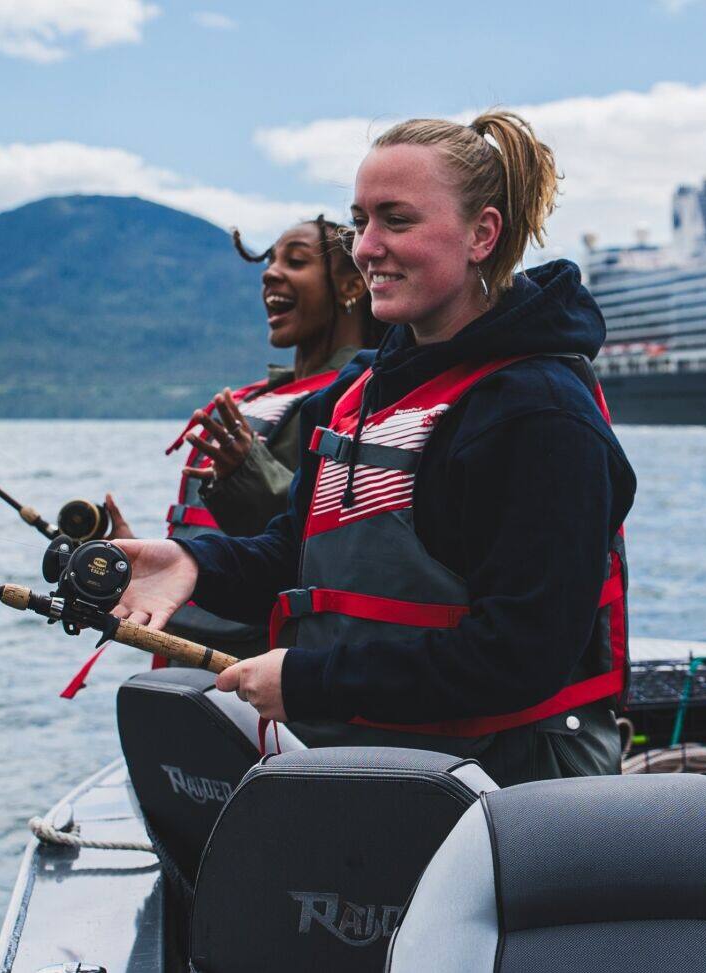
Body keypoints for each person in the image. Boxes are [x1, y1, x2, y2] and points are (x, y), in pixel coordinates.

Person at [110, 110, 635, 786]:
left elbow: (519, 655)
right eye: (360, 221)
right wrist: (189, 564)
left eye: (397, 220)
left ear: (482, 234)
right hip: (374, 771)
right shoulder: (357, 396)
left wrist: (309, 680)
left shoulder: (541, 415)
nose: (367, 247)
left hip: (511, 790)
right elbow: (293, 557)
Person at [103, 217, 380, 659]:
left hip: (259, 666)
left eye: (295, 261)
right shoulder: (264, 397)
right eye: (270, 261)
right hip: (188, 646)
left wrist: (246, 473)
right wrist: (134, 558)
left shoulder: (360, 401)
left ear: (352, 286)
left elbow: (326, 548)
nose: (270, 273)